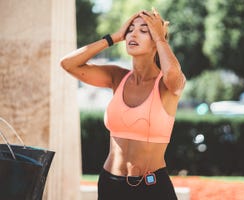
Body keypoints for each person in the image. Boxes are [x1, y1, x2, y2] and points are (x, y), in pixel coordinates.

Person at [60, 8, 186, 200]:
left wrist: (161, 38)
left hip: (152, 188)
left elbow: (173, 75)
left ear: (157, 41)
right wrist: (114, 37)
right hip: (110, 185)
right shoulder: (117, 77)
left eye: (145, 30)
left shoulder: (167, 84)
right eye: (130, 29)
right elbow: (68, 64)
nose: (133, 34)